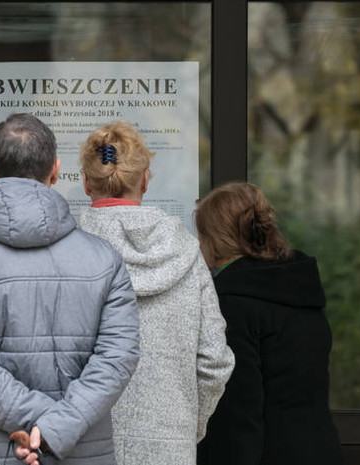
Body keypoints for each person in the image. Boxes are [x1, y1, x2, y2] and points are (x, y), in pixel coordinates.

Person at [0, 113, 140, 465]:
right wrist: (54, 427)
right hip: (81, 448)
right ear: (55, 171)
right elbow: (118, 357)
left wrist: (37, 422)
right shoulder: (104, 259)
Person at [77, 122, 234, 465]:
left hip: (82, 444)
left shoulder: (65, 252)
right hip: (170, 446)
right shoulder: (187, 253)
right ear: (145, 180)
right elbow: (215, 361)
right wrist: (187, 427)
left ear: (86, 181)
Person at [194, 182, 343, 465]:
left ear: (215, 239)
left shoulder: (231, 304)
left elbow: (237, 417)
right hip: (320, 450)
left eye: (201, 235)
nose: (198, 245)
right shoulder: (300, 289)